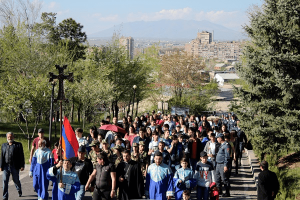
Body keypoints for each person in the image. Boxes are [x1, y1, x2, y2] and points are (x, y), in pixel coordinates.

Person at [0, 132, 25, 200]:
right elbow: (2, 156)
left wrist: (22, 165)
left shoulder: (18, 145)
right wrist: (1, 166)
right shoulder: (4, 145)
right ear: (7, 137)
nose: (10, 138)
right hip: (6, 166)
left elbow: (21, 156)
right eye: (8, 137)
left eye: (11, 137)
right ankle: (5, 197)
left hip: (15, 166)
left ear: (13, 137)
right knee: (5, 181)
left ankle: (19, 189)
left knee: (16, 180)